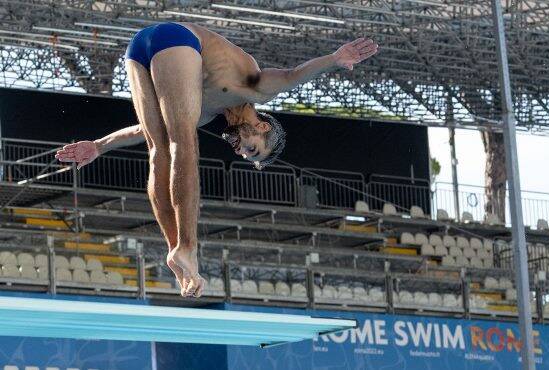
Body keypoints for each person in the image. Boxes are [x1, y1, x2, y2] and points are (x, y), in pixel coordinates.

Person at [55, 22, 378, 298]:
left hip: (139, 47)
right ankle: (189, 248)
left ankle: (176, 250)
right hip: (179, 37)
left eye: (243, 154)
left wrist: (99, 146)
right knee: (183, 141)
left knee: (159, 147)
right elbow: (294, 74)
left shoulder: (204, 111)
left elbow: (139, 130)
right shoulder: (257, 90)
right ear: (263, 128)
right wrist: (335, 59)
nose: (240, 150)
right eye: (252, 149)